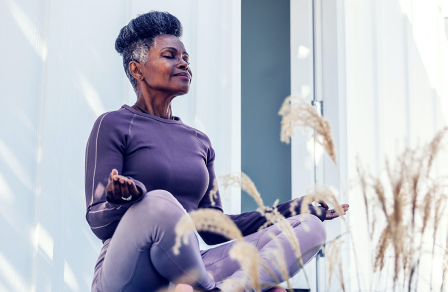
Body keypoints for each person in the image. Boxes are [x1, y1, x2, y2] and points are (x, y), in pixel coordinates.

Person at [84, 11, 349, 292]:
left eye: (186, 58)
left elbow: (213, 227)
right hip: (129, 271)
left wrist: (295, 207)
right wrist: (124, 200)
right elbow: (98, 221)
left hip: (188, 268)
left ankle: (229, 288)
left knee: (309, 227)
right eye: (170, 55)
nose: (184, 64)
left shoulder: (199, 141)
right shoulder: (113, 124)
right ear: (137, 70)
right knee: (158, 202)